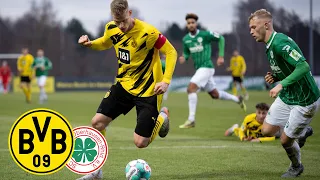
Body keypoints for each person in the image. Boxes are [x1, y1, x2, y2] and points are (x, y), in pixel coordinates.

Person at [77, 0, 177, 179]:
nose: (121, 26)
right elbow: (105, 43)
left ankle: (161, 118)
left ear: (129, 13)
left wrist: (166, 81)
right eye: (117, 22)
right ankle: (96, 172)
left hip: (149, 90)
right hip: (124, 85)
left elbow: (171, 52)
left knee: (140, 143)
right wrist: (90, 44)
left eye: (123, 21)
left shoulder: (149, 32)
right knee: (97, 122)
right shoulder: (111, 28)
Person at [249, 9, 319, 178]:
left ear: (266, 25)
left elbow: (303, 66)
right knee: (266, 130)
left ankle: (296, 167)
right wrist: (276, 76)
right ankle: (301, 133)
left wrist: (281, 85)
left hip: (304, 99)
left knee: (285, 140)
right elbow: (288, 69)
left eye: (253, 27)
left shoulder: (280, 43)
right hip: (289, 95)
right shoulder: (269, 45)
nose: (251, 31)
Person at [179, 13, 246, 129]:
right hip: (199, 69)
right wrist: (184, 57)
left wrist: (220, 56)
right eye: (188, 23)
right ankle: (237, 99)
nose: (190, 25)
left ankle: (191, 119)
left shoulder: (205, 35)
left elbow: (221, 38)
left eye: (192, 22)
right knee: (215, 94)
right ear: (186, 25)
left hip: (207, 67)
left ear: (196, 24)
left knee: (190, 89)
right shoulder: (186, 39)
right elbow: (186, 52)